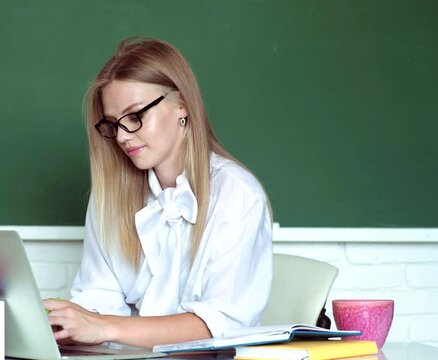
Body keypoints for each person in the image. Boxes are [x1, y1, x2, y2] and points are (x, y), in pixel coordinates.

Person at [43, 37, 273, 349]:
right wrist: (60, 325)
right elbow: (98, 300)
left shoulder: (238, 195)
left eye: (135, 117)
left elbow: (219, 326)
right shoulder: (108, 198)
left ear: (182, 106)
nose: (122, 137)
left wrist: (104, 327)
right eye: (113, 124)